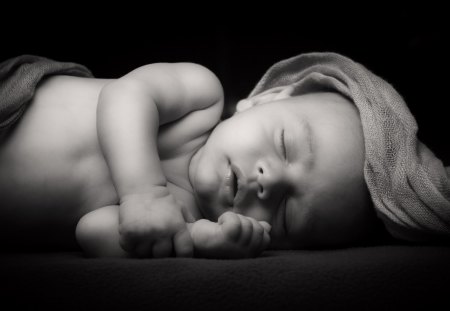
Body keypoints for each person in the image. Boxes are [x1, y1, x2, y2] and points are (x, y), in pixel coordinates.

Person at [4, 51, 442, 259]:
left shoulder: (182, 216)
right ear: (265, 99)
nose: (270, 181)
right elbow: (125, 95)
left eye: (287, 213)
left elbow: (91, 231)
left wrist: (195, 242)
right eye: (286, 144)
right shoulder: (201, 98)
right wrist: (142, 190)